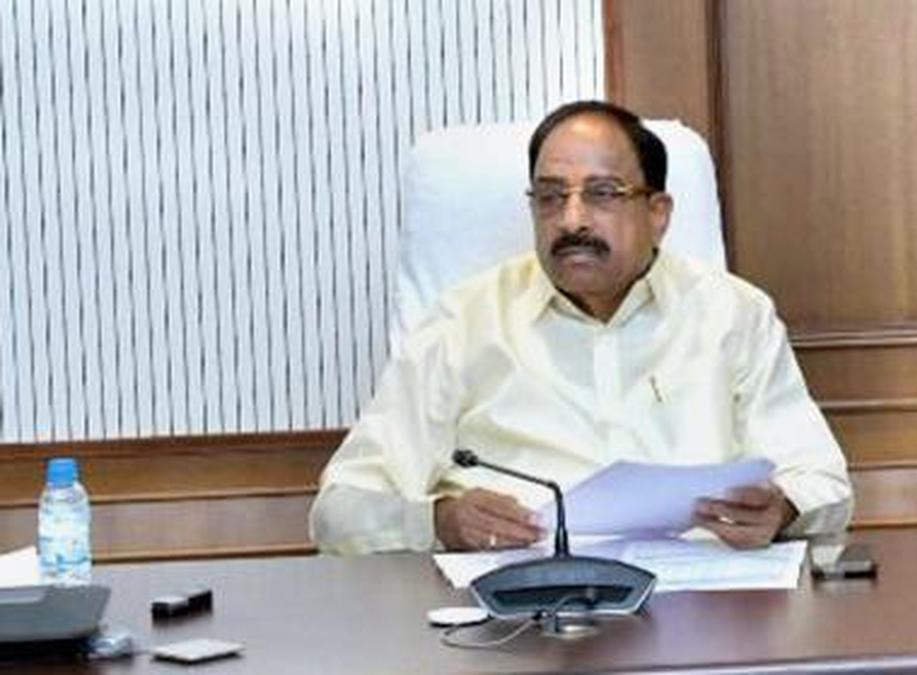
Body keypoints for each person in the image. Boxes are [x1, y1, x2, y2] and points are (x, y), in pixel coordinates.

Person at [309, 100, 852, 554]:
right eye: (550, 197)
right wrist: (440, 522)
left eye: (602, 194)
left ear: (658, 213)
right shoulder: (464, 322)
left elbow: (822, 481)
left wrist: (782, 509)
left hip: (701, 606)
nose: (571, 220)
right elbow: (339, 510)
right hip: (516, 617)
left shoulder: (733, 314)